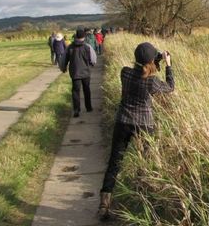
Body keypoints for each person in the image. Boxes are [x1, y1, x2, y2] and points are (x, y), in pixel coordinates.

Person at [98, 42, 174, 220]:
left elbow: (142, 68)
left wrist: (154, 59)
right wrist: (168, 65)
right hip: (144, 125)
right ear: (151, 60)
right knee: (146, 163)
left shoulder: (125, 72)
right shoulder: (152, 82)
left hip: (122, 122)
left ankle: (104, 204)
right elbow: (170, 87)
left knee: (114, 163)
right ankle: (142, 200)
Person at [61, 28, 97, 118]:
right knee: (86, 89)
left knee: (75, 91)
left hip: (75, 72)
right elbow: (93, 59)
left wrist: (63, 68)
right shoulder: (88, 47)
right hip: (86, 72)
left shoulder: (70, 47)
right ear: (84, 37)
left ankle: (76, 110)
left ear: (76, 36)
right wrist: (92, 64)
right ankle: (88, 107)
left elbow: (63, 59)